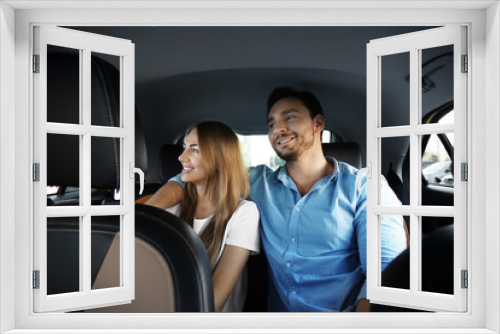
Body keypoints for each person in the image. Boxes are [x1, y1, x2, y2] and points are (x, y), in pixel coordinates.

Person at [148, 87, 406, 312]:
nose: (278, 129)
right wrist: (146, 217)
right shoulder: (259, 182)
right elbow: (199, 175)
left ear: (318, 123)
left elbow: (384, 276)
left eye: (289, 117)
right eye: (271, 124)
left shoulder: (365, 186)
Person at [146, 121, 260, 312]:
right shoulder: (172, 207)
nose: (182, 157)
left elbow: (213, 302)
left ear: (219, 159)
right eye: (184, 148)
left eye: (195, 150)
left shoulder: (244, 213)